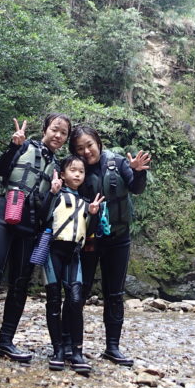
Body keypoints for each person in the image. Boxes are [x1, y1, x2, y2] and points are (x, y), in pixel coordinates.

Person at [0, 113, 71, 365]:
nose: (58, 135)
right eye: (55, 129)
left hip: (29, 226)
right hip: (3, 214)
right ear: (45, 129)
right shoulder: (23, 146)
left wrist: (54, 194)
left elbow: (46, 212)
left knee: (20, 284)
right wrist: (13, 145)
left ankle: (5, 341)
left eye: (63, 133)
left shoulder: (57, 168)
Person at [68, 125, 151, 366]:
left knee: (114, 294)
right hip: (87, 240)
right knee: (78, 293)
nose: (86, 152)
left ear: (98, 143)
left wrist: (138, 172)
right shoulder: (74, 168)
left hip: (118, 239)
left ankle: (112, 347)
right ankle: (71, 346)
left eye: (89, 145)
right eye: (80, 148)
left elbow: (136, 188)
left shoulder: (116, 162)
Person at [39, 156, 104, 374]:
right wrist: (51, 193)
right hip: (53, 252)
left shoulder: (87, 203)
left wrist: (94, 214)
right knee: (54, 301)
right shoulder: (56, 196)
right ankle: (58, 350)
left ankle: (76, 351)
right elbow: (42, 217)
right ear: (63, 174)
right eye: (72, 170)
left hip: (74, 254)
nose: (77, 174)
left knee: (76, 301)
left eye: (81, 171)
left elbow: (91, 230)